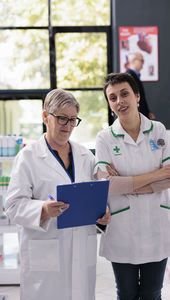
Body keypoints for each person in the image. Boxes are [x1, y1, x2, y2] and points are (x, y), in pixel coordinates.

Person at [5, 88, 110, 300]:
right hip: (46, 252)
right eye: (62, 118)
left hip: (81, 246)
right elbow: (13, 206)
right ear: (45, 117)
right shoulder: (28, 157)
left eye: (73, 120)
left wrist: (102, 215)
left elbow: (94, 197)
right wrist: (42, 209)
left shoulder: (85, 155)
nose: (69, 126)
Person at [94, 73, 170, 300]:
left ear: (137, 96)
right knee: (126, 293)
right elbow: (107, 185)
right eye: (112, 98)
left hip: (157, 227)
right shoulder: (105, 138)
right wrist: (156, 175)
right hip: (123, 230)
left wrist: (127, 184)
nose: (119, 101)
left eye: (124, 94)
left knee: (152, 293)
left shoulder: (158, 130)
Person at [126, 52, 155, 120]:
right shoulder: (129, 76)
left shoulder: (134, 76)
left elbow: (141, 97)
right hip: (136, 116)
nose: (143, 63)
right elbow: (134, 98)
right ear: (134, 61)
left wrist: (147, 112)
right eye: (142, 60)